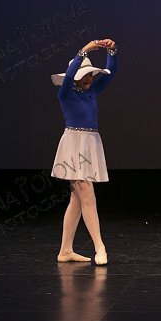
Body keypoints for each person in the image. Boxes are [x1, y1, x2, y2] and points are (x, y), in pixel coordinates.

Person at [51, 39, 118, 266]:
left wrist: (112, 51)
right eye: (84, 75)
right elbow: (70, 75)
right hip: (74, 146)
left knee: (77, 201)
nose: (89, 78)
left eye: (90, 74)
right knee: (87, 196)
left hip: (90, 143)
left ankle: (65, 250)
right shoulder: (66, 94)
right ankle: (100, 247)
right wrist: (85, 50)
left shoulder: (92, 92)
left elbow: (111, 73)